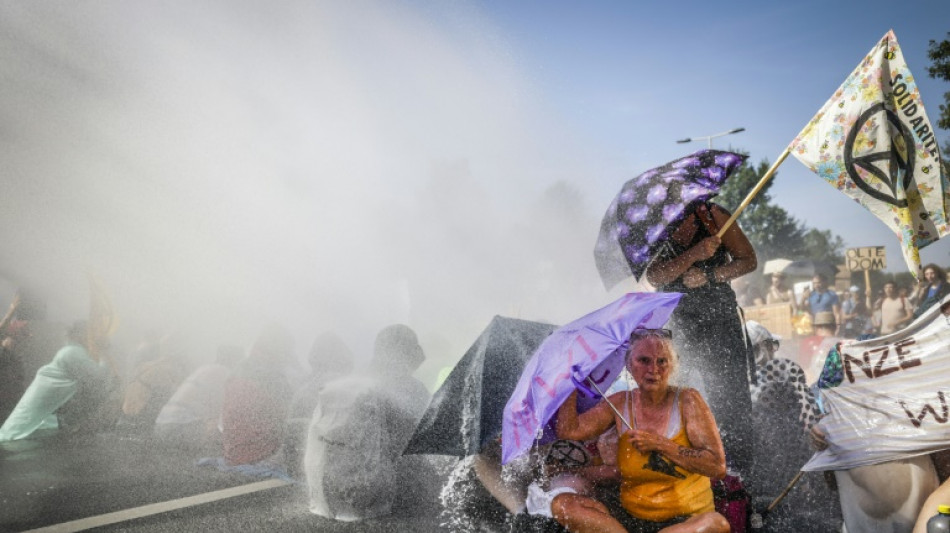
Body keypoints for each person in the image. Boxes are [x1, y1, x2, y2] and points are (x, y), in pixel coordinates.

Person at [551, 329, 729, 533]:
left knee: (716, 523)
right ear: (629, 365)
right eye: (644, 360)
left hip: (684, 522)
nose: (653, 369)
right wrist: (569, 383)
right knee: (562, 505)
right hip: (630, 520)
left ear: (672, 366)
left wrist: (660, 444)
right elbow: (569, 431)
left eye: (662, 361)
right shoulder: (620, 402)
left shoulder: (688, 400)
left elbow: (717, 465)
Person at [645, 200, 757, 479]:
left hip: (719, 319)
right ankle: (684, 467)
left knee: (729, 396)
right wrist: (694, 253)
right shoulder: (656, 225)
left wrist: (711, 274)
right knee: (675, 393)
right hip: (677, 321)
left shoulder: (713, 215)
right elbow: (655, 275)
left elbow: (748, 260)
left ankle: (736, 477)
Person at [304, 324, 431, 521]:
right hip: (388, 492)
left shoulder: (354, 380)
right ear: (407, 353)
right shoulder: (412, 388)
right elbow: (423, 439)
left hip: (337, 490)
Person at [0, 320, 111, 441]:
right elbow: (100, 377)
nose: (95, 337)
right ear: (79, 335)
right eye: (92, 334)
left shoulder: (71, 352)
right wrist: (104, 352)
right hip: (22, 434)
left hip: (35, 428)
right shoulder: (72, 353)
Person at [221, 324, 295, 465]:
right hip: (259, 454)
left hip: (233, 451)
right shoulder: (271, 374)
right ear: (280, 348)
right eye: (288, 350)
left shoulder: (241, 367)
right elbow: (287, 414)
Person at [153, 344, 243, 452]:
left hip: (161, 427)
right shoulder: (223, 372)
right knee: (228, 435)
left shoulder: (204, 369)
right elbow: (222, 409)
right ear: (234, 359)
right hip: (178, 428)